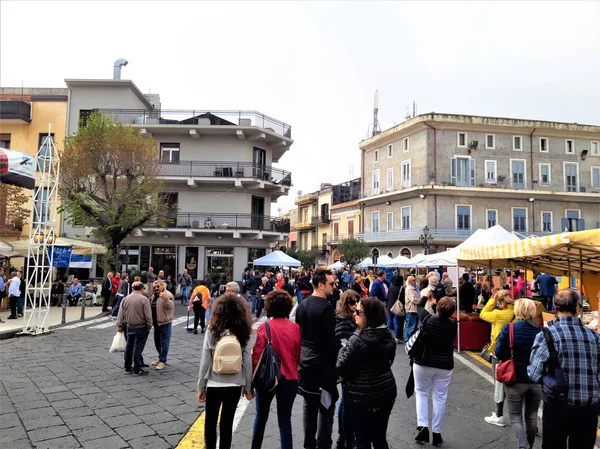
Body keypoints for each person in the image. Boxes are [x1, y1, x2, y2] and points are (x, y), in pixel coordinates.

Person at [528, 289, 600, 449]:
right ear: (577, 309)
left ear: (555, 307)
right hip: (588, 408)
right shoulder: (595, 337)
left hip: (557, 406)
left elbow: (533, 374)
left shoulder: (547, 336)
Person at [336, 297, 397, 449]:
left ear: (368, 315)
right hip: (386, 391)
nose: (354, 314)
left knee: (362, 439)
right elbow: (390, 359)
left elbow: (341, 367)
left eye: (358, 312)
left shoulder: (357, 340)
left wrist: (342, 350)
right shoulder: (388, 335)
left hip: (361, 396)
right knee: (379, 437)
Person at [197, 294, 253, 449]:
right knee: (227, 422)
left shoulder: (212, 330)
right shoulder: (243, 332)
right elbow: (247, 360)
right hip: (235, 383)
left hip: (214, 382)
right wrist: (248, 386)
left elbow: (205, 361)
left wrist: (201, 387)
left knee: (210, 422)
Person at [251, 290, 301, 449]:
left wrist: (250, 384)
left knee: (260, 418)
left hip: (268, 377)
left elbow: (257, 356)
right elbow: (297, 354)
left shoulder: (264, 327)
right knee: (285, 422)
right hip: (289, 377)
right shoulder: (295, 328)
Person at [296, 268, 339, 449]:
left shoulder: (302, 304)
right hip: (323, 364)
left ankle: (309, 444)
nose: (334, 287)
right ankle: (323, 445)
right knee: (326, 408)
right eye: (331, 284)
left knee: (309, 405)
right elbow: (329, 341)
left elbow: (299, 334)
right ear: (321, 285)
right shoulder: (326, 308)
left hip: (305, 361)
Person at [495, 298, 542, 449]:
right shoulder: (541, 331)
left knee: (516, 417)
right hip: (535, 380)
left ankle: (523, 446)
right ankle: (529, 444)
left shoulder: (509, 328)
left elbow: (500, 352)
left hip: (515, 378)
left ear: (517, 310)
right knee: (532, 415)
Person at [412, 295, 457, 446]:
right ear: (452, 312)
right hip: (444, 364)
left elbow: (419, 307)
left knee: (421, 393)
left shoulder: (427, 319)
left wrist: (426, 296)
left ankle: (423, 427)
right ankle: (436, 433)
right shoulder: (453, 325)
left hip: (423, 362)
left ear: (438, 308)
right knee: (440, 397)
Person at [480, 289, 515, 427]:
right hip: (514, 352)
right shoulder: (517, 312)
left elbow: (483, 314)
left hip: (499, 352)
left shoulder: (497, 314)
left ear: (500, 302)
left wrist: (492, 299)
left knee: (499, 384)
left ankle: (498, 415)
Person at [334, 290, 359, 449]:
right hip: (347, 365)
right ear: (345, 303)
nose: (355, 304)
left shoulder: (349, 317)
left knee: (346, 402)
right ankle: (344, 436)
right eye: (352, 302)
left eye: (357, 301)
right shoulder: (344, 320)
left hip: (348, 364)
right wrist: (348, 345)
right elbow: (341, 339)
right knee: (345, 403)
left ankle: (344, 436)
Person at [117, 281, 153, 375]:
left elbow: (120, 313)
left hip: (129, 326)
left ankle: (127, 367)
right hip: (141, 326)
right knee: (138, 348)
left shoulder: (125, 299)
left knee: (129, 347)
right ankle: (137, 368)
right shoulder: (144, 299)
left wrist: (120, 324)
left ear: (132, 288)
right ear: (141, 289)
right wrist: (149, 326)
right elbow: (148, 315)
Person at [154, 280, 174, 370]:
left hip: (165, 322)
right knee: (157, 341)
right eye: (154, 287)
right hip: (156, 323)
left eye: (158, 286)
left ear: (162, 286)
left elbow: (171, 307)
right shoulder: (154, 296)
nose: (156, 289)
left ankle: (163, 360)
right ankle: (160, 358)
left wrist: (166, 299)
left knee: (164, 343)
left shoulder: (168, 295)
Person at [386, 274, 405, 344]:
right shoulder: (401, 288)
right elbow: (403, 299)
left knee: (390, 320)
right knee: (397, 322)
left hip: (389, 306)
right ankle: (397, 337)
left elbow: (387, 297)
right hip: (397, 307)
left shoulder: (391, 287)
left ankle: (387, 334)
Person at [404, 275, 421, 342]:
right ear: (410, 281)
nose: (415, 281)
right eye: (414, 280)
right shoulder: (409, 288)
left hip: (414, 309)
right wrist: (421, 300)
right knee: (411, 326)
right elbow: (413, 299)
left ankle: (411, 340)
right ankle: (408, 340)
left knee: (413, 326)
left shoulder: (415, 287)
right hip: (411, 309)